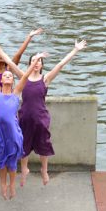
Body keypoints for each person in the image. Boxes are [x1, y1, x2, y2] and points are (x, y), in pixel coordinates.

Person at [0, 25, 43, 181]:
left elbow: (19, 53)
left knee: (8, 136)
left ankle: (10, 166)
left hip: (7, 107)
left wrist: (29, 37)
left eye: (0, 55)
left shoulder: (10, 69)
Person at [0, 35, 48, 199]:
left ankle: (12, 184)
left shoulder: (16, 93)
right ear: (2, 79)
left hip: (13, 133)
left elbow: (25, 77)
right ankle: (3, 184)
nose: (8, 77)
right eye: (6, 76)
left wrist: (36, 60)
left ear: (13, 81)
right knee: (2, 161)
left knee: (12, 162)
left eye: (10, 76)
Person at [19, 39, 87, 187]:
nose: (36, 63)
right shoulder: (23, 78)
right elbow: (10, 64)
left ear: (42, 65)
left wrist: (75, 50)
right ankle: (24, 169)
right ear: (30, 64)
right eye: (34, 60)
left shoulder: (45, 79)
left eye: (39, 61)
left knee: (43, 144)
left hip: (41, 117)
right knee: (23, 144)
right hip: (25, 117)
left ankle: (44, 170)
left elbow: (60, 65)